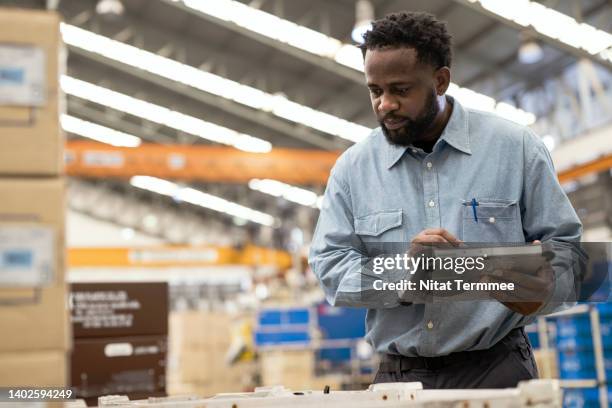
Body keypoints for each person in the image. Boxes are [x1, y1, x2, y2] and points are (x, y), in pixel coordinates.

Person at [308, 11, 582, 389]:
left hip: (497, 369)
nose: (385, 104)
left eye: (400, 90)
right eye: (375, 91)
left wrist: (544, 285)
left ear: (440, 81)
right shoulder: (353, 169)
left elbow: (569, 253)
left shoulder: (515, 149)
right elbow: (329, 266)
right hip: (399, 378)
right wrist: (403, 277)